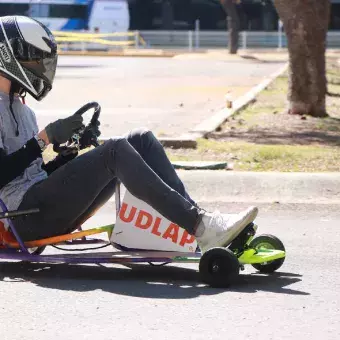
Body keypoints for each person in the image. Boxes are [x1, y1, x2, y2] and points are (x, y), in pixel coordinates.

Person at [0, 16, 258, 253]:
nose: (41, 67)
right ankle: (201, 226)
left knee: (139, 138)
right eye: (34, 59)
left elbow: (33, 173)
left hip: (42, 204)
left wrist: (70, 155)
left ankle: (200, 225)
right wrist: (44, 138)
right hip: (24, 218)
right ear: (7, 56)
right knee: (115, 151)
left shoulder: (24, 111)